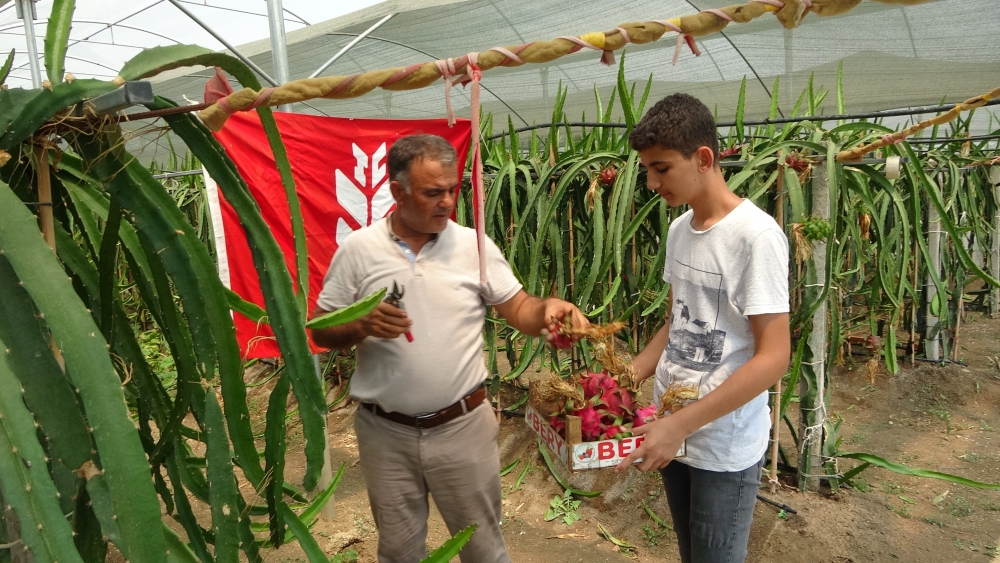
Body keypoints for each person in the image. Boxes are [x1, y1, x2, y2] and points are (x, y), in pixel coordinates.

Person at [310, 134, 588, 563]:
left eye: (452, 189)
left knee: (483, 550)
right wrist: (361, 325)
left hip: (463, 428)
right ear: (397, 191)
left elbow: (518, 307)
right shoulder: (358, 250)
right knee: (399, 552)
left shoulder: (473, 246)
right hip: (386, 432)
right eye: (432, 192)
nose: (446, 202)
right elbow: (323, 330)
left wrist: (549, 309)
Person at [617, 93, 791, 563]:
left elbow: (775, 356)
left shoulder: (755, 237)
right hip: (671, 430)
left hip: (722, 443)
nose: (652, 183)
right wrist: (625, 378)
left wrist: (680, 424)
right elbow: (676, 322)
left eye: (661, 168)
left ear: (704, 158)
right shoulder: (680, 232)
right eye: (647, 171)